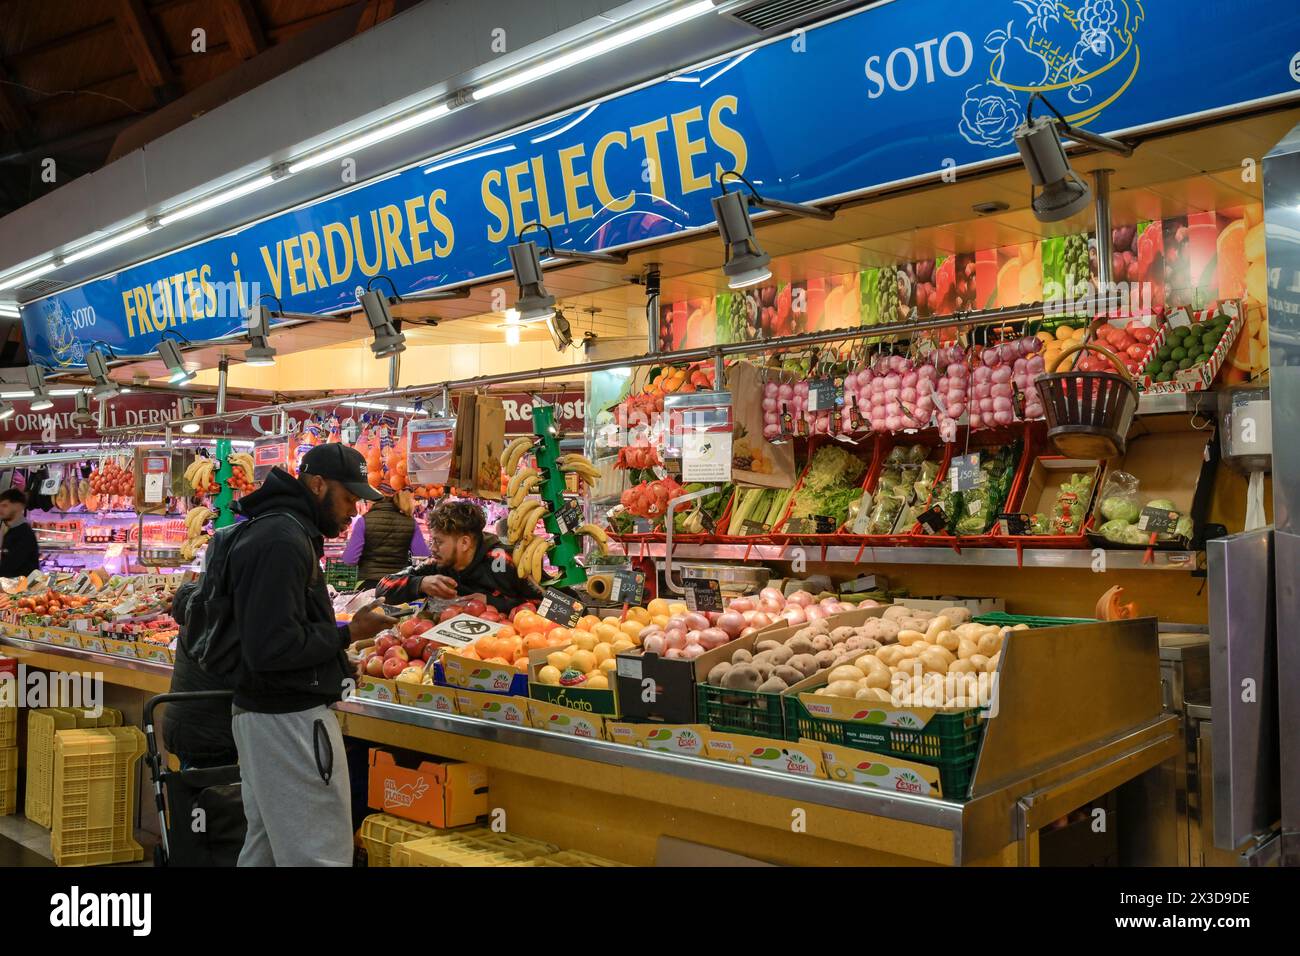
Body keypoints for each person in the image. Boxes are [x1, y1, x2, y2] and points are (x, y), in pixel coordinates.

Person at [226, 443, 396, 867]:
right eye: (348, 497)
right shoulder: (282, 539)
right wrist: (347, 634)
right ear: (318, 484)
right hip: (289, 720)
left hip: (268, 715)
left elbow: (277, 633)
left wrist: (335, 661)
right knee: (319, 854)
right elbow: (272, 646)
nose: (353, 510)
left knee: (264, 850)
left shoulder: (281, 530)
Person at [378, 501, 542, 613]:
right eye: (431, 541)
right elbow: (383, 587)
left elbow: (550, 604)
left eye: (438, 542)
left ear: (464, 542)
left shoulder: (504, 560)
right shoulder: (437, 564)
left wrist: (492, 602)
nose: (432, 549)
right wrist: (420, 584)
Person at [164, 579, 238, 769]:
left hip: (188, 724)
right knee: (211, 793)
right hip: (209, 731)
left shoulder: (199, 603)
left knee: (192, 788)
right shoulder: (222, 615)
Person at [340, 486, 429, 590]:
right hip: (398, 585)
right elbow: (422, 554)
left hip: (367, 586)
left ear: (372, 499)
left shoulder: (363, 521)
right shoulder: (411, 523)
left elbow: (349, 559)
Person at [0, 488, 39, 578]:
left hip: (21, 590)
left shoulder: (24, 533)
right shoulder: (11, 531)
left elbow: (10, 565)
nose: (0, 509)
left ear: (18, 506)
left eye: (5, 505)